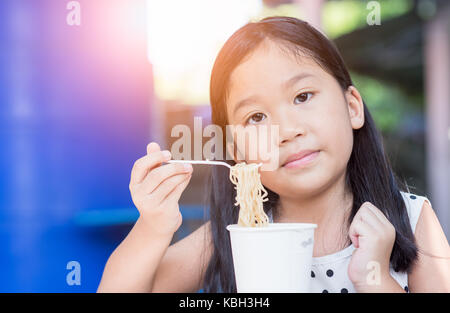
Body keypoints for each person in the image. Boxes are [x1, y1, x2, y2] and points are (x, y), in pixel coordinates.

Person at [97, 16, 450, 293]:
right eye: (256, 118)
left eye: (302, 97)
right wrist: (152, 227)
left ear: (352, 107)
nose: (285, 131)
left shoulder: (412, 219)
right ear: (237, 152)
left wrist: (373, 276)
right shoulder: (234, 236)